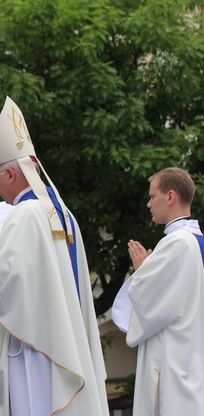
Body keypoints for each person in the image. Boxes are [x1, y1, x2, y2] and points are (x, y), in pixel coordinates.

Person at [0, 96, 109, 415]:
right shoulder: (63, 212)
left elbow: (4, 280)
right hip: (63, 338)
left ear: (10, 175)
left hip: (36, 347)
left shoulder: (26, 213)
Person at [112, 168, 204, 415]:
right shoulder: (196, 240)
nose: (149, 203)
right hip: (190, 357)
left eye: (153, 196)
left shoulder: (177, 243)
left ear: (171, 197)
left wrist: (142, 272)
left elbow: (154, 304)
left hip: (172, 362)